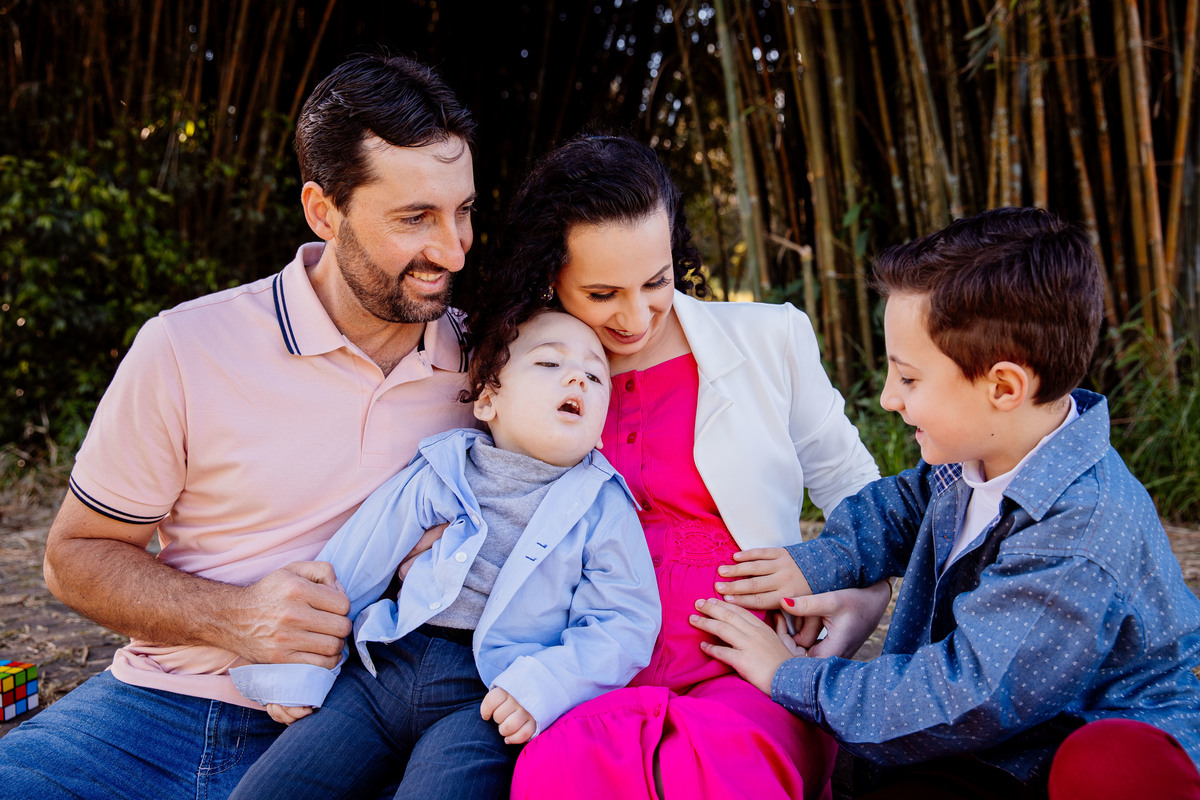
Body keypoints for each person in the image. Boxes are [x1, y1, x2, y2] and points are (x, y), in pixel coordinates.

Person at [0, 54, 482, 797]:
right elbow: (75, 557)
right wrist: (235, 617)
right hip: (160, 711)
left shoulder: (498, 366)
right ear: (323, 211)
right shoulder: (186, 345)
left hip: (368, 722)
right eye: (415, 218)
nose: (452, 249)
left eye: (464, 211)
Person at [691, 207, 1200, 799]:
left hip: (1063, 751)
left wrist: (791, 676)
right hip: (995, 736)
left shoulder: (1079, 533)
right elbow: (902, 508)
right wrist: (818, 563)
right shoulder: (980, 456)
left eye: (908, 378)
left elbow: (966, 695)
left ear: (1003, 387)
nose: (888, 398)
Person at [459, 133, 889, 800]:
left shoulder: (769, 338)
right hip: (582, 669)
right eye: (602, 293)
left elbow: (857, 491)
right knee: (558, 778)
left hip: (744, 669)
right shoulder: (522, 364)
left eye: (656, 282)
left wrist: (864, 598)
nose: (636, 316)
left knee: (723, 777)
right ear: (551, 274)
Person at [227, 310, 660, 799]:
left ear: (601, 429)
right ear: (488, 400)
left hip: (487, 697)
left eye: (596, 376)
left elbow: (624, 621)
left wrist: (547, 684)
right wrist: (296, 667)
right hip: (381, 673)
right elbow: (355, 562)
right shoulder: (445, 468)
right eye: (548, 363)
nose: (578, 377)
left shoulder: (603, 505)